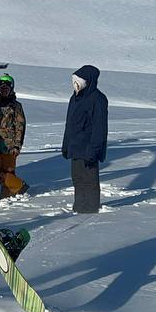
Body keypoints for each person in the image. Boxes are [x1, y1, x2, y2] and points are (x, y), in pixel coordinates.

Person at [61, 65, 108, 214]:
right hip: (75, 148)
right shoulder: (74, 98)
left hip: (88, 149)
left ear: (88, 81)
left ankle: (91, 208)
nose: (75, 84)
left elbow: (99, 128)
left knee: (89, 181)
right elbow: (69, 125)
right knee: (78, 180)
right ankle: (79, 207)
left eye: (78, 81)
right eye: (73, 81)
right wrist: (66, 145)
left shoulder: (98, 99)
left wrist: (94, 151)